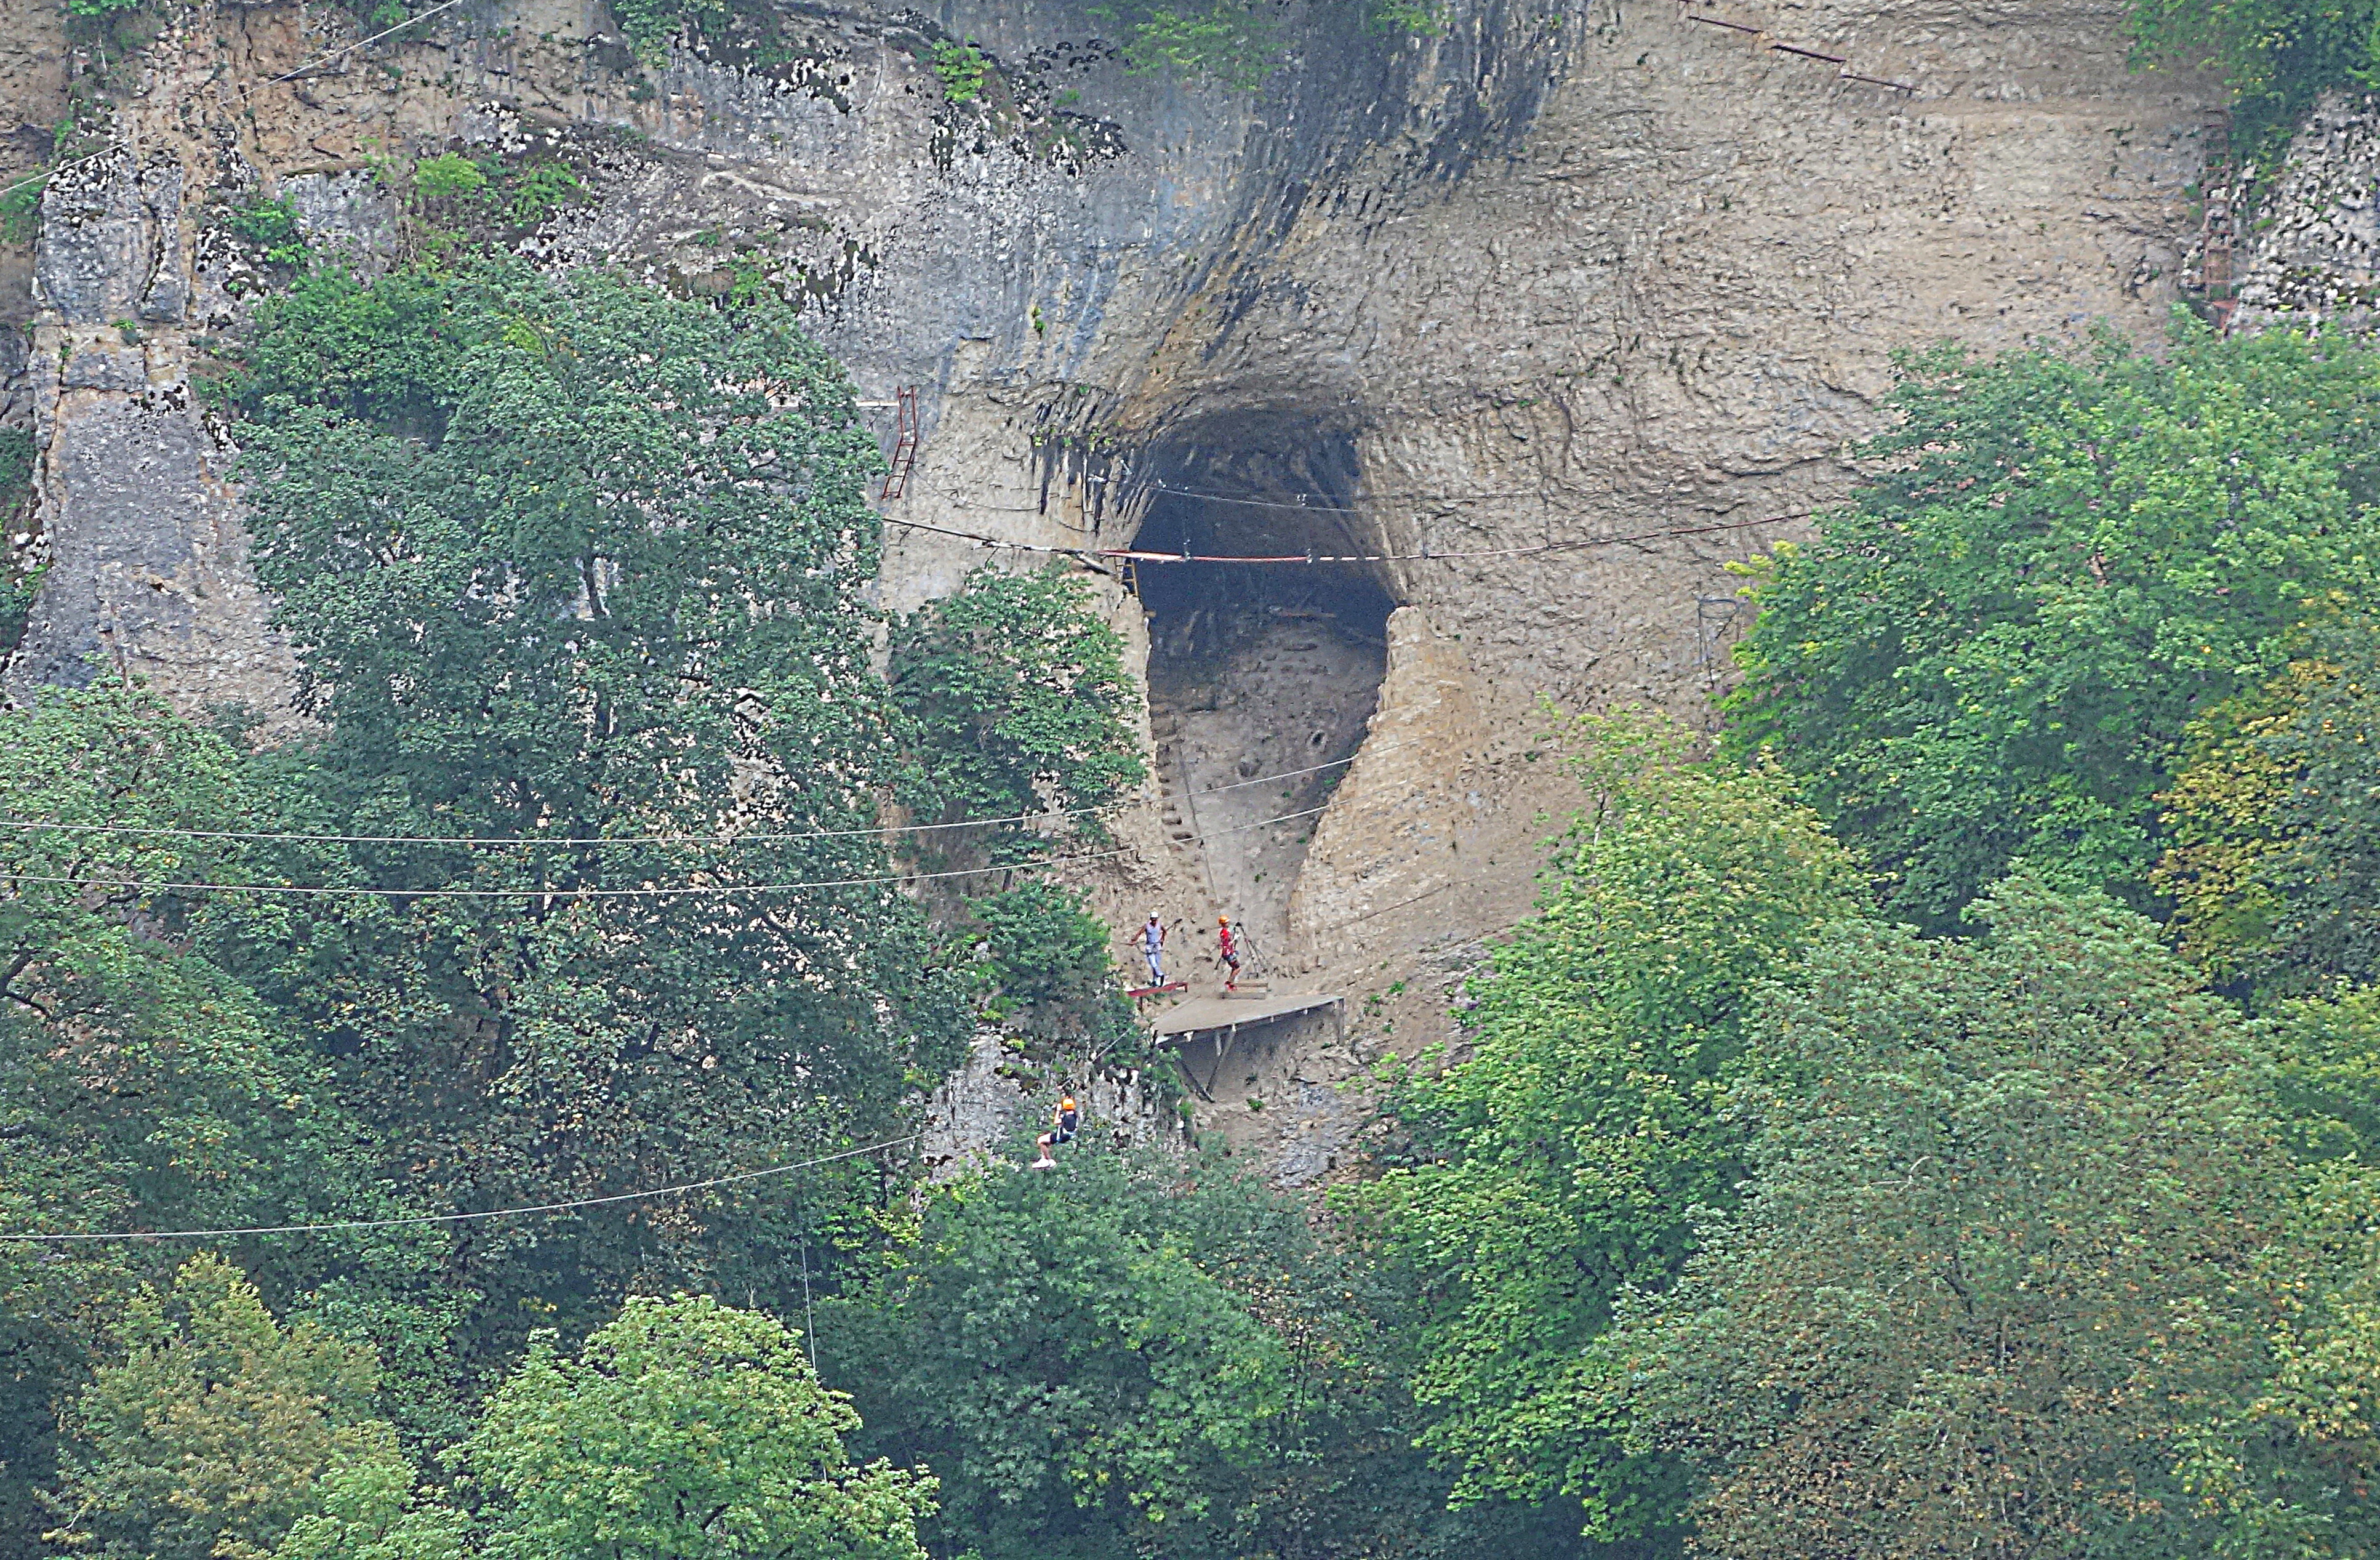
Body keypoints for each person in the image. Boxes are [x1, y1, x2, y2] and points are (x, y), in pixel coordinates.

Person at [1032, 1093, 1081, 1169]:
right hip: (1066, 1136)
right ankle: (1043, 1159)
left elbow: (1056, 1122)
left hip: (1061, 1136)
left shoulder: (1067, 1118)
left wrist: (1058, 1111)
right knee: (1045, 1143)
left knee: (1040, 1141)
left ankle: (1049, 1160)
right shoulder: (1074, 1115)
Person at [1216, 914, 1242, 991]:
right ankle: (1229, 983)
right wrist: (1235, 939)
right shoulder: (1225, 933)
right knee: (1237, 968)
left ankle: (1231, 983)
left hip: (1229, 952)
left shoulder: (1224, 932)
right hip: (1228, 953)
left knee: (1234, 968)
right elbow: (1227, 943)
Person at [1139, 912, 1166, 986]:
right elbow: (1140, 933)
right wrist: (1133, 941)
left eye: (1155, 920)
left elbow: (1164, 931)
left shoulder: (1159, 925)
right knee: (1153, 963)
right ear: (1151, 919)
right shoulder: (1147, 926)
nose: (1154, 922)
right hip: (1150, 946)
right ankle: (1160, 975)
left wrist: (1162, 939)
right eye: (1153, 920)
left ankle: (1155, 980)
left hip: (1157, 945)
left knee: (1157, 963)